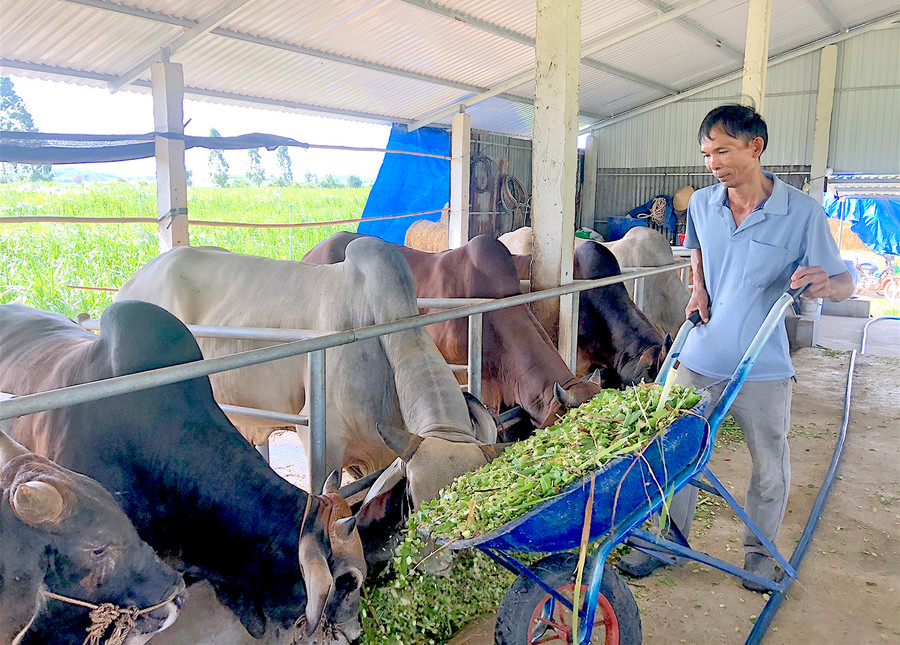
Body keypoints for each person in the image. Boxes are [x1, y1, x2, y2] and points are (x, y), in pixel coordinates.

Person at [617, 104, 854, 592]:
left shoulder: (802, 212)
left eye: (722, 151)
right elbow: (697, 244)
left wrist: (822, 284)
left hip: (762, 368)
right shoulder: (703, 204)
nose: (712, 163)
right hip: (699, 358)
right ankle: (668, 542)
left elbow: (846, 283)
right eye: (706, 154)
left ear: (755, 148)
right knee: (670, 455)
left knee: (769, 467)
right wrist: (698, 285)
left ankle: (759, 556)